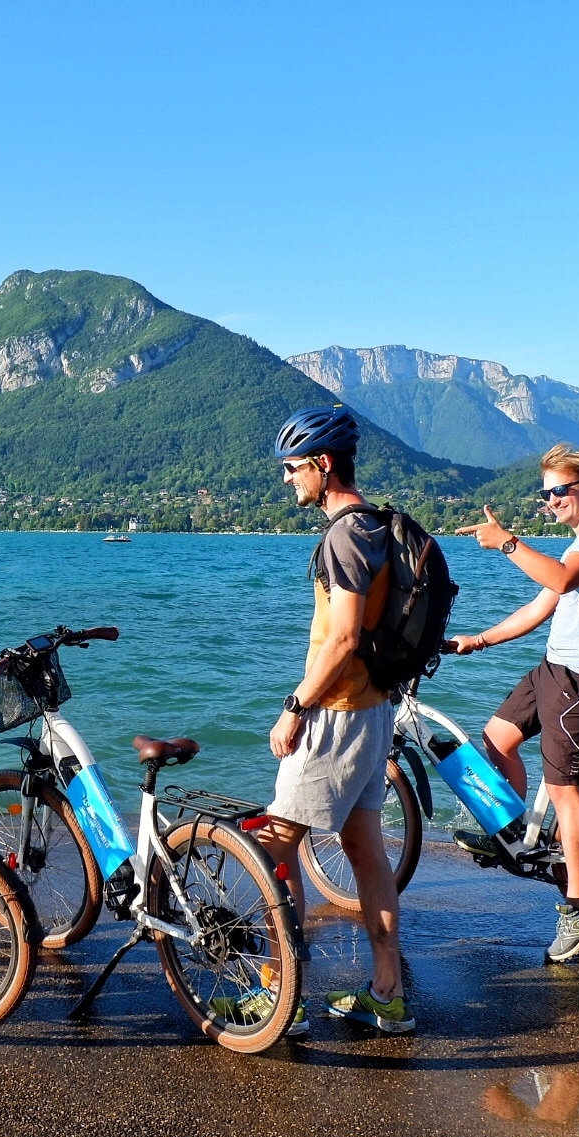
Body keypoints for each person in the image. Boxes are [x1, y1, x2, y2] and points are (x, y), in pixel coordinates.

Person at [248, 406, 415, 1035]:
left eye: (292, 468)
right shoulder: (376, 525)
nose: (287, 480)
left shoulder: (345, 534)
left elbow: (342, 638)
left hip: (338, 714)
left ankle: (276, 997)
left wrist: (295, 707)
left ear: (323, 464)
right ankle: (387, 994)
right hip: (373, 710)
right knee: (366, 852)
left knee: (272, 849)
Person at [450, 443, 579, 963]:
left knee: (562, 789)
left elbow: (557, 579)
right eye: (546, 493)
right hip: (553, 669)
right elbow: (543, 602)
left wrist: (507, 543)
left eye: (561, 490)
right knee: (497, 738)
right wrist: (479, 639)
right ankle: (512, 832)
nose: (552, 500)